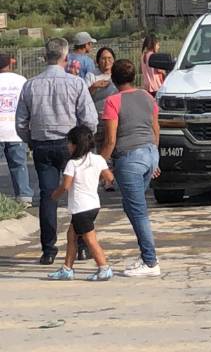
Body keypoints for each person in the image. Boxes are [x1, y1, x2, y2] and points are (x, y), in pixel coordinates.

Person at [15, 37, 97, 265]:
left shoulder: (30, 85)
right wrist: (84, 142)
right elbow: (89, 119)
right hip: (71, 144)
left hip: (42, 145)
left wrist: (31, 140)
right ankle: (81, 246)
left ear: (45, 57)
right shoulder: (76, 83)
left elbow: (21, 123)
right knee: (77, 194)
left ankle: (48, 250)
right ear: (66, 57)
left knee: (48, 197)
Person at [99, 58, 162, 277]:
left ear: (113, 79)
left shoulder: (112, 101)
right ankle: (146, 255)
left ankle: (150, 261)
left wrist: (98, 164)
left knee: (138, 211)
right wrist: (155, 158)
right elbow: (156, 129)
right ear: (133, 77)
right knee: (131, 205)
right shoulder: (147, 96)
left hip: (130, 159)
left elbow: (110, 141)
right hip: (149, 153)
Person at [46, 125, 113, 282]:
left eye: (69, 143)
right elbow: (109, 178)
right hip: (93, 205)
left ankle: (104, 268)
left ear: (76, 145)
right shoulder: (98, 159)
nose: (68, 146)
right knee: (71, 235)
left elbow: (66, 186)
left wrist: (54, 196)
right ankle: (67, 268)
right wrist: (94, 179)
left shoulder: (73, 164)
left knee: (90, 239)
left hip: (80, 208)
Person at [0, 53, 33, 206]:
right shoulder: (21, 80)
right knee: (19, 165)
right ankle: (24, 197)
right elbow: (28, 104)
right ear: (10, 64)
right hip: (15, 131)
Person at [90, 47, 118, 116]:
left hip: (116, 114)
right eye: (103, 58)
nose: (107, 61)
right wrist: (94, 87)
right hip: (98, 115)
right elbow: (85, 96)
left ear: (114, 59)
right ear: (98, 60)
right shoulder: (92, 75)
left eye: (109, 58)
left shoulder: (118, 73)